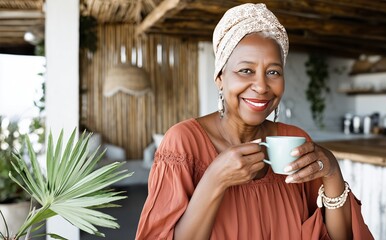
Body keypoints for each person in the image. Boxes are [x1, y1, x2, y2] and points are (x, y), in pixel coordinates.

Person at [136, 3, 373, 240]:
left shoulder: (294, 141)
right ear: (220, 78)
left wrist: (331, 171)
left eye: (273, 72)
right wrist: (215, 179)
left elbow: (340, 237)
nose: (261, 86)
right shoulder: (183, 143)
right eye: (246, 71)